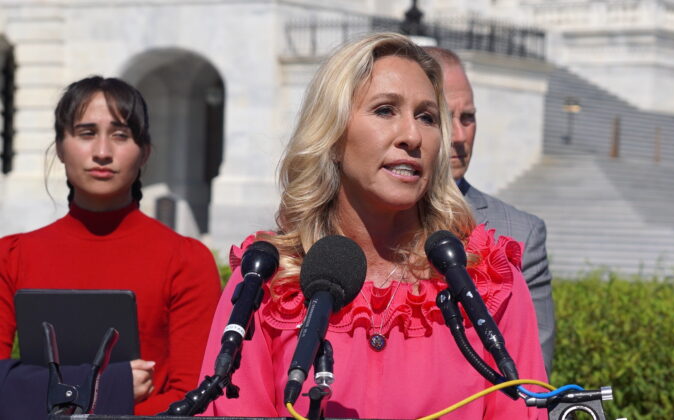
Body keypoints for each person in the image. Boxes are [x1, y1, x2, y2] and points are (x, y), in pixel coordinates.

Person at [199, 33, 547, 419]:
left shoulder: (488, 280)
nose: (412, 136)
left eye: (427, 117)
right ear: (331, 132)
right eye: (385, 110)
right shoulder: (265, 279)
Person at [0, 76, 221, 416]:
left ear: (144, 151)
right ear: (60, 147)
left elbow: (194, 397)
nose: (102, 152)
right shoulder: (11, 257)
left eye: (120, 135)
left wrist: (52, 397)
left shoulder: (186, 260)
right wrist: (108, 387)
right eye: (86, 133)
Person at [424, 46, 556, 373]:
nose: (459, 136)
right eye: (442, 117)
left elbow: (530, 379)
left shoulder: (520, 234)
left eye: (467, 118)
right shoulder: (359, 224)